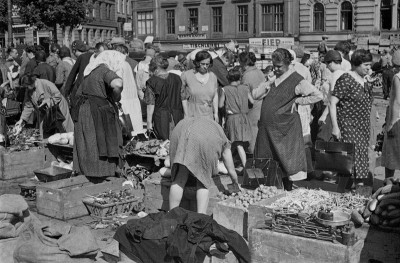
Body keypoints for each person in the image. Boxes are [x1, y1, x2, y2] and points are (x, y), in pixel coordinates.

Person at [253, 48, 323, 190]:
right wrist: (268, 81)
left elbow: (318, 95)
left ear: (288, 64)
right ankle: (273, 190)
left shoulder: (297, 80)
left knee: (286, 159)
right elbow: (255, 95)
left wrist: (298, 102)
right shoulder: (273, 79)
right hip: (267, 129)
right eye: (274, 66)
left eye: (279, 67)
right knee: (269, 159)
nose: (276, 69)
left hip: (285, 128)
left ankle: (287, 191)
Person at [169, 117, 239, 214]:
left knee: (180, 177)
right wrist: (235, 181)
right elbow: (230, 168)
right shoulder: (223, 139)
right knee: (202, 181)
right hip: (202, 138)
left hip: (180, 129)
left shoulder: (211, 125)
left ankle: (171, 214)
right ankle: (201, 217)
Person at [73, 51, 124, 179]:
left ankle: (89, 172)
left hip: (85, 110)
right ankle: (102, 173)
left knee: (89, 142)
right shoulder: (103, 69)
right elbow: (117, 83)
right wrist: (116, 96)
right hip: (97, 111)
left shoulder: (90, 72)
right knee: (100, 141)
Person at [329, 49, 374, 192]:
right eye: (366, 65)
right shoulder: (346, 79)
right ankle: (346, 192)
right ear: (356, 64)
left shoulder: (364, 80)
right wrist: (335, 127)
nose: (369, 68)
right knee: (350, 161)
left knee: (360, 160)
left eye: (369, 65)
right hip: (348, 125)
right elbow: (332, 102)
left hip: (362, 126)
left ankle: (354, 193)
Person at [13, 74, 73, 139]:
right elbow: (28, 106)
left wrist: (47, 101)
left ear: (31, 82)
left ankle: (72, 144)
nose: (26, 89)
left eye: (27, 86)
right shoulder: (29, 91)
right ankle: (47, 145)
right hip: (45, 111)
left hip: (58, 107)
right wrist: (21, 120)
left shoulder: (46, 83)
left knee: (65, 129)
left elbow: (58, 95)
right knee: (44, 131)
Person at [219, 67, 253, 168]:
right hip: (244, 117)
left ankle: (246, 167)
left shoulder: (225, 89)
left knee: (237, 143)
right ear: (239, 78)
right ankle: (235, 163)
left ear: (228, 79)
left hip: (233, 118)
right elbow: (252, 101)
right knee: (241, 142)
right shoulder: (245, 88)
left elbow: (220, 105)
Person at [145, 55, 183, 140]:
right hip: (177, 115)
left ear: (156, 69)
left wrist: (149, 123)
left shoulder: (152, 82)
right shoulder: (177, 78)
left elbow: (150, 104)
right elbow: (183, 98)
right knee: (177, 142)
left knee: (162, 144)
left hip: (161, 118)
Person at [181, 50, 219, 122]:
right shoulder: (186, 75)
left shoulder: (213, 76)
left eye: (207, 64)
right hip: (192, 114)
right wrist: (186, 114)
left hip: (208, 114)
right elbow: (183, 97)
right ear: (197, 63)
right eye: (202, 64)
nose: (205, 67)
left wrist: (216, 113)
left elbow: (215, 95)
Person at [239, 51, 265, 154]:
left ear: (243, 62)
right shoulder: (259, 72)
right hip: (261, 105)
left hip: (252, 107)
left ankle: (252, 156)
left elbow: (245, 93)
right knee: (258, 130)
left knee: (252, 131)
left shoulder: (247, 75)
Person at [62, 40, 93, 121]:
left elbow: (72, 75)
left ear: (74, 50)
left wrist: (66, 91)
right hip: (94, 88)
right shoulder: (93, 56)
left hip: (81, 89)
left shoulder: (81, 57)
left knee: (76, 112)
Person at [382, 50, 400, 178]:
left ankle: (388, 184)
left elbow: (397, 102)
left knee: (391, 154)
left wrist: (390, 125)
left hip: (398, 119)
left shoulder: (398, 77)